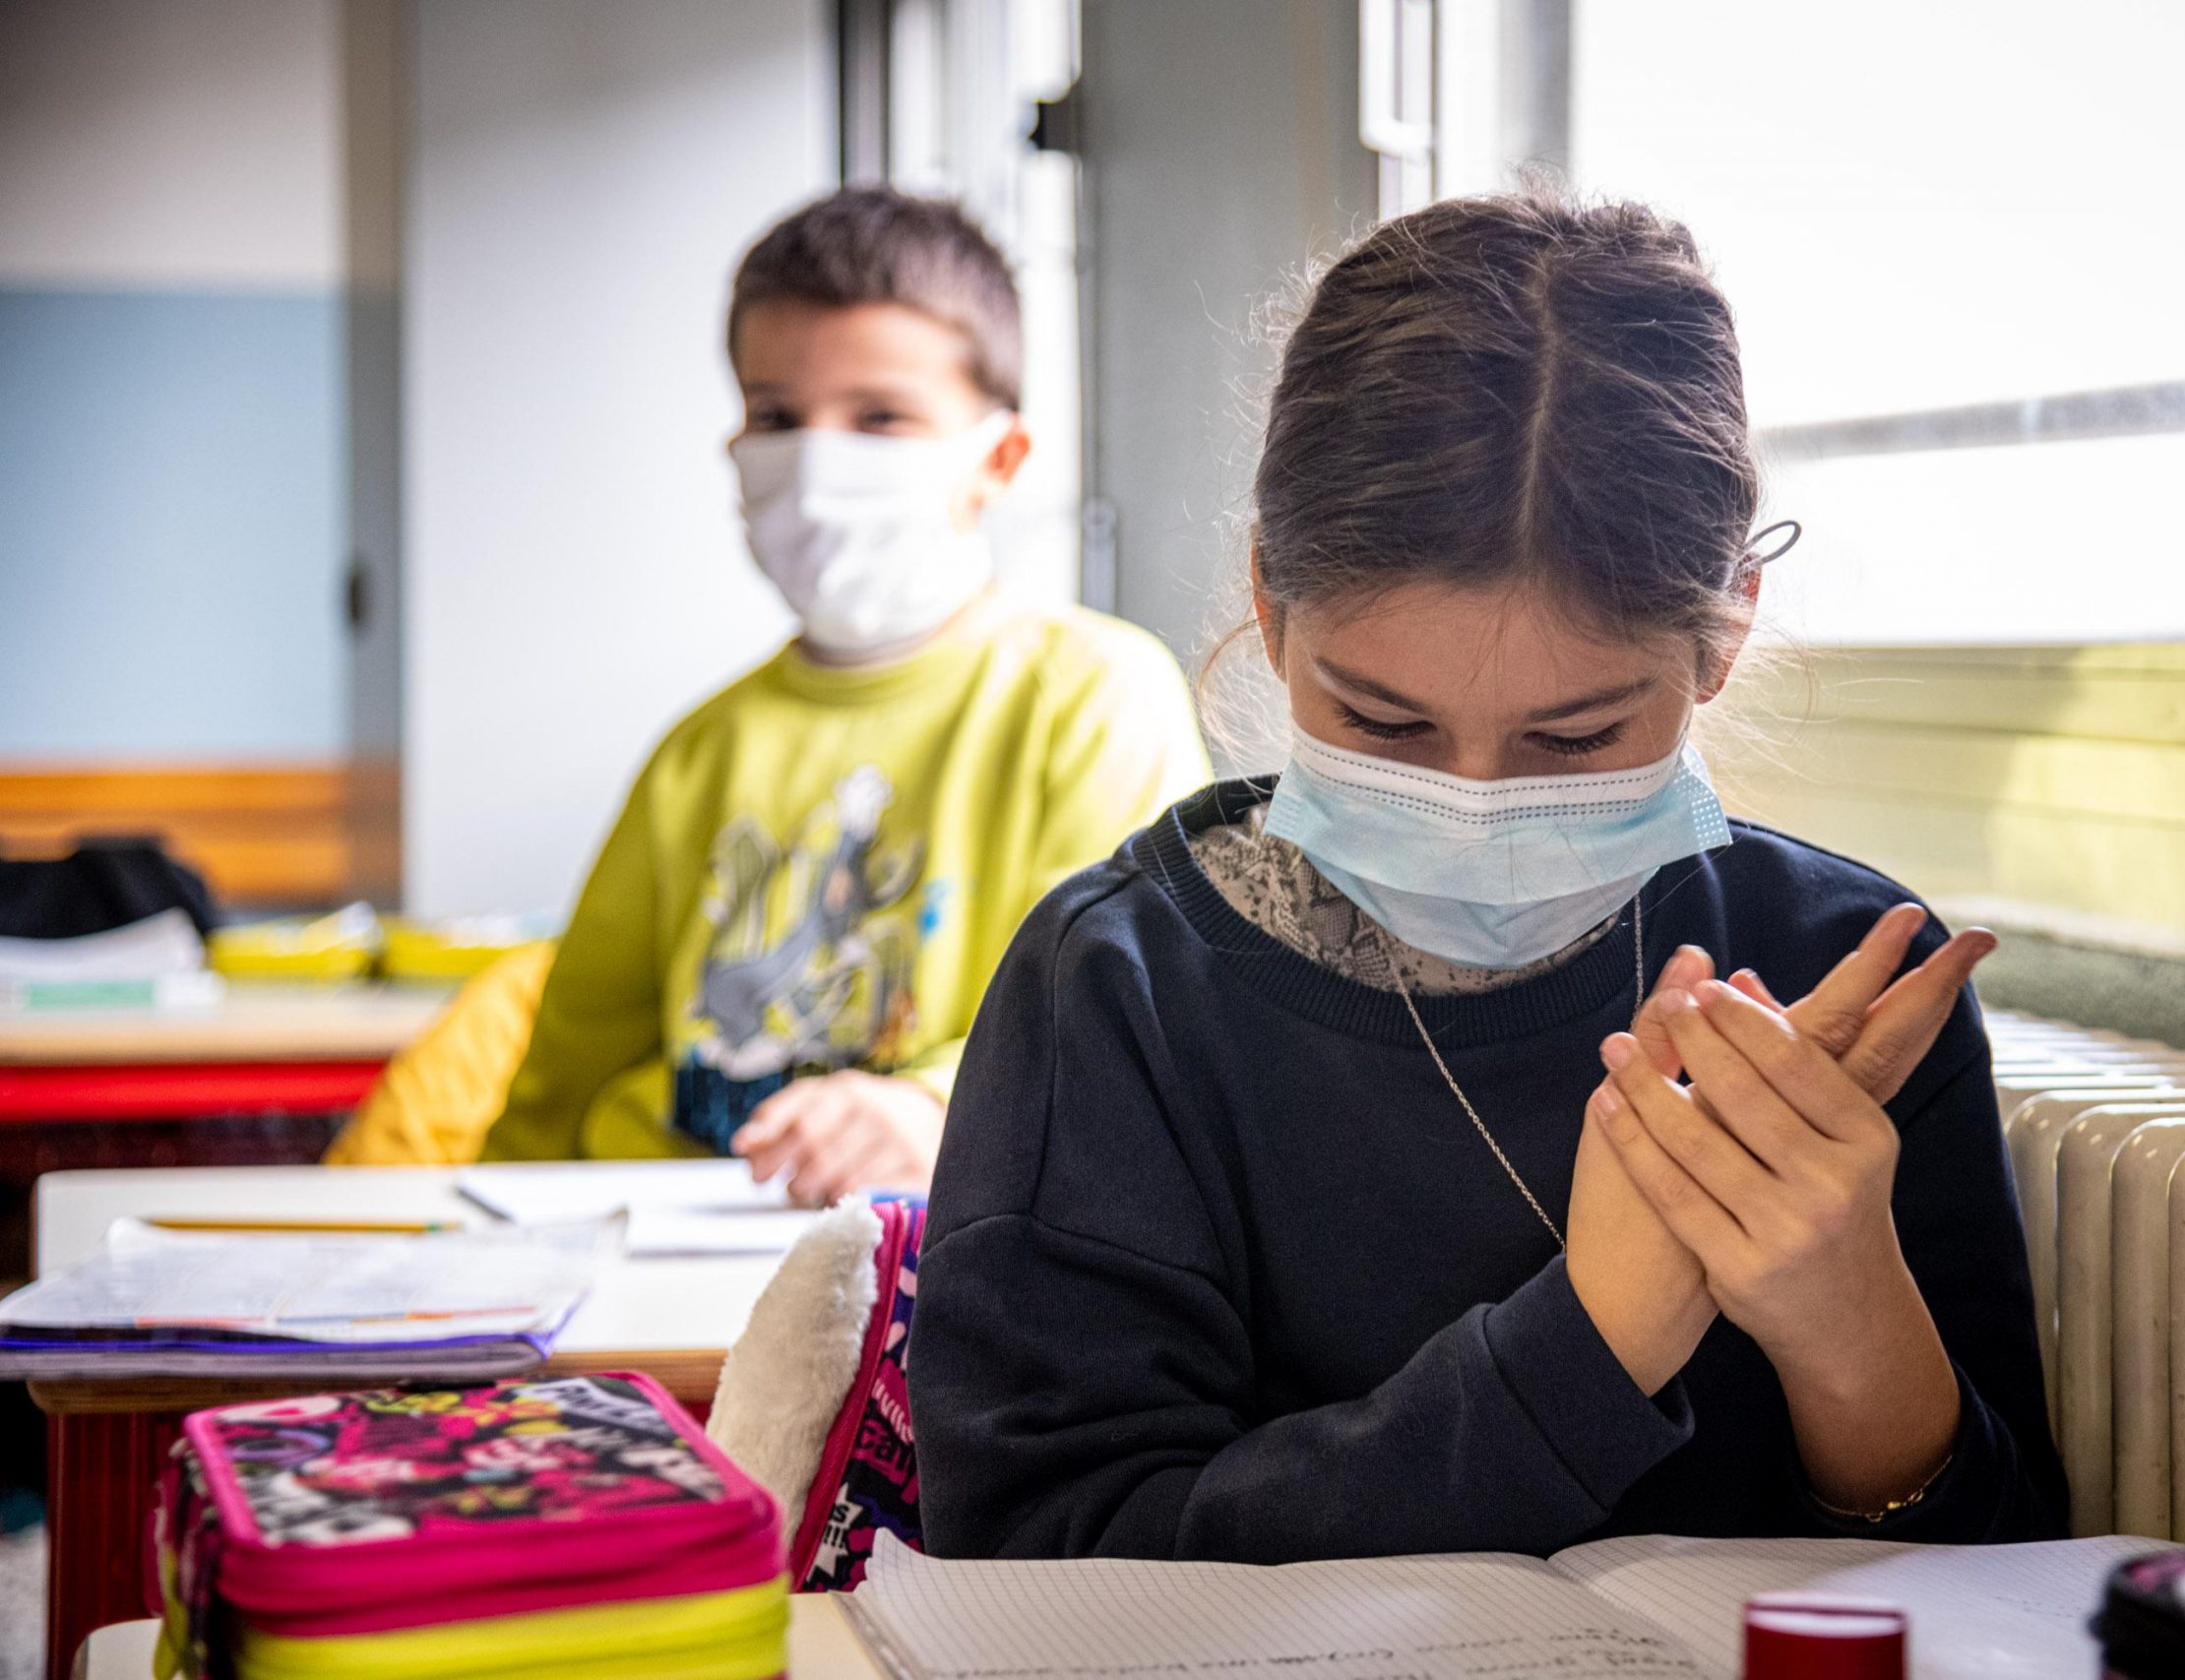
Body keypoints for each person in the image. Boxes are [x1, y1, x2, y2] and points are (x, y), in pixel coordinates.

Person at [909, 190, 2067, 1559]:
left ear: (1723, 635)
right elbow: (1040, 1561)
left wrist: (1850, 1317)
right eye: (1384, 725)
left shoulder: (1845, 973)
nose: (1474, 802)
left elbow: (1998, 1574)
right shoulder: (1117, 991)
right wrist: (1589, 1342)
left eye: (1576, 737)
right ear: (1271, 606)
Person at [479, 188, 1211, 1202]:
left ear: (995, 460)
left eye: (880, 417)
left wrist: (931, 1108)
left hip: (931, 1253)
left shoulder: (1092, 699)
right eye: (776, 416)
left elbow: (1127, 1028)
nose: (818, 464)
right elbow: (558, 1095)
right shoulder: (701, 749)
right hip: (664, 1248)